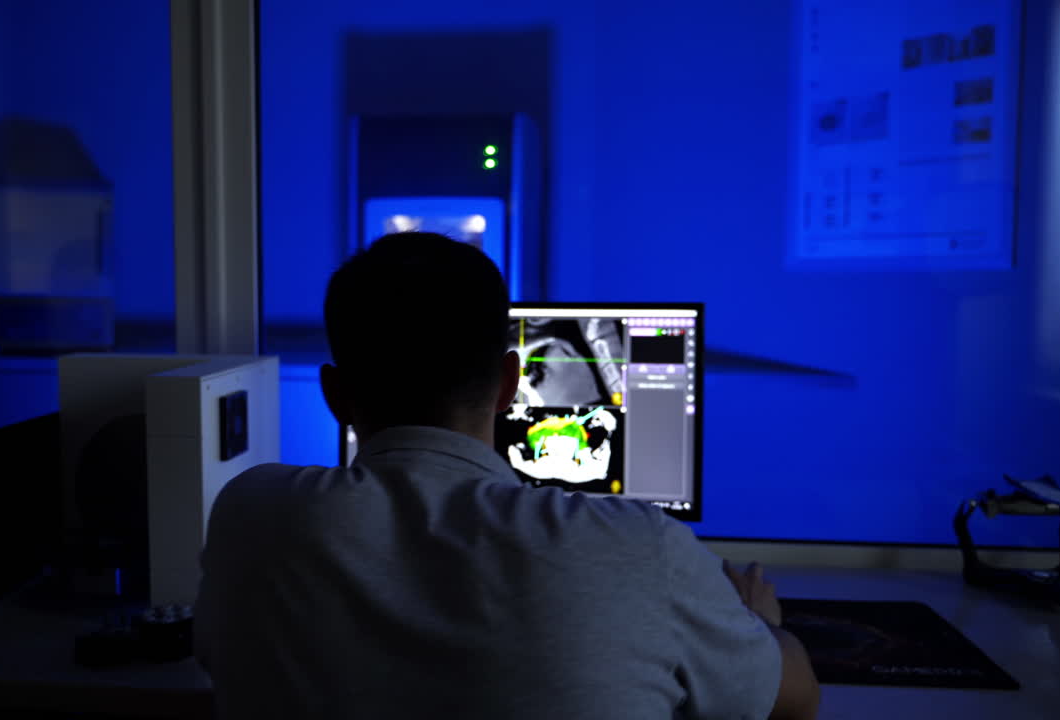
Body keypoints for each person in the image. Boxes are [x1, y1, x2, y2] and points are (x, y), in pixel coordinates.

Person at [194, 232, 820, 719]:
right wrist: (762, 625)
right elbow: (792, 697)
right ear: (509, 385)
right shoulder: (633, 547)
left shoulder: (253, 518)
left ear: (335, 395)